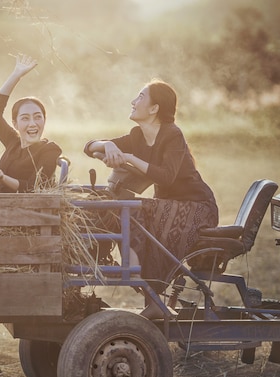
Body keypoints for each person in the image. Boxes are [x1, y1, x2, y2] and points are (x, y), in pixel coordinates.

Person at [84, 79, 219, 300]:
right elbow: (88, 146)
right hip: (167, 207)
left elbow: (166, 177)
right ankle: (142, 283)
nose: (133, 101)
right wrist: (107, 145)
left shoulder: (172, 134)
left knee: (131, 209)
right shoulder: (137, 136)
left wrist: (129, 157)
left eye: (140, 97)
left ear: (154, 108)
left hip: (197, 207)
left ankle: (137, 273)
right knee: (120, 207)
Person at [0, 53, 62, 192]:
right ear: (15, 124)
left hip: (28, 211)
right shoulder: (12, 141)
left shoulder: (50, 150)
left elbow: (34, 188)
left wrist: (3, 177)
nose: (32, 123)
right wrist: (16, 75)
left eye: (38, 117)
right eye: (25, 118)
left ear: (44, 120)